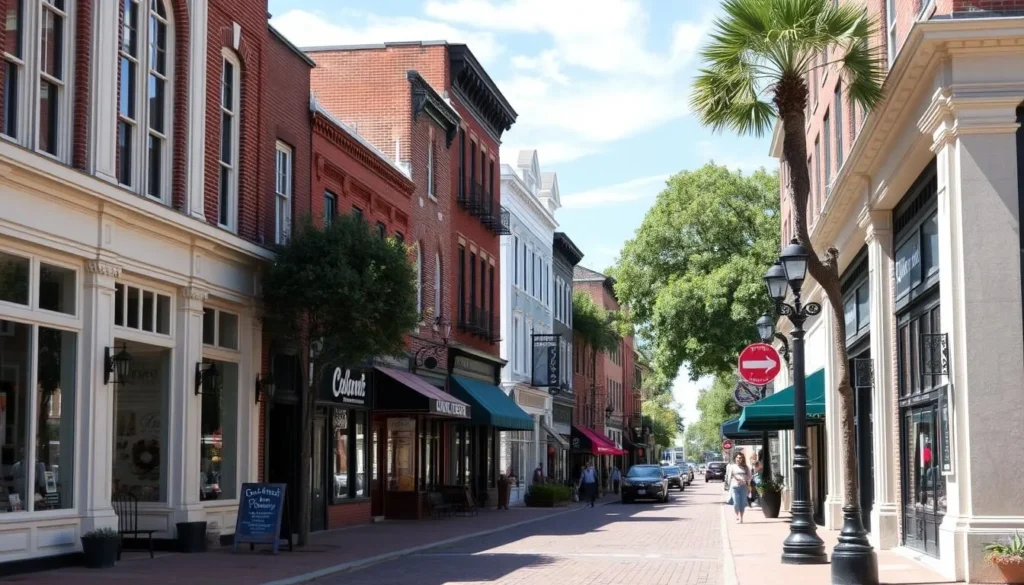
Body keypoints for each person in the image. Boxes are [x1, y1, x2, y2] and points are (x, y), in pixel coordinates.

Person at [725, 452, 752, 523]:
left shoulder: (746, 467)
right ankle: (737, 515)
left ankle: (741, 518)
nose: (738, 459)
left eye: (740, 458)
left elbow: (749, 476)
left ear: (742, 459)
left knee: (742, 503)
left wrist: (745, 480)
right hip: (734, 487)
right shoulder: (732, 467)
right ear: (735, 458)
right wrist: (728, 486)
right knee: (736, 503)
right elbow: (728, 477)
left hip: (743, 487)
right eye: (737, 457)